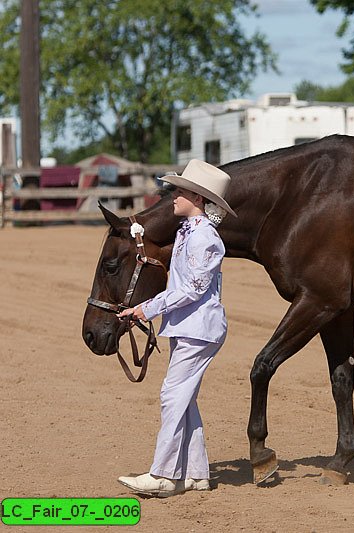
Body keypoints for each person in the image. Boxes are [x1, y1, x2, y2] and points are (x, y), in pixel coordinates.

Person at [116, 159, 237, 498]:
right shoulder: (189, 232)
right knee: (184, 399)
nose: (173, 197)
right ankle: (196, 475)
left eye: (181, 192)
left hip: (199, 328)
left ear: (197, 199)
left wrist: (146, 308)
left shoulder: (205, 239)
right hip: (190, 326)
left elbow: (192, 290)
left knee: (172, 396)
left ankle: (163, 475)